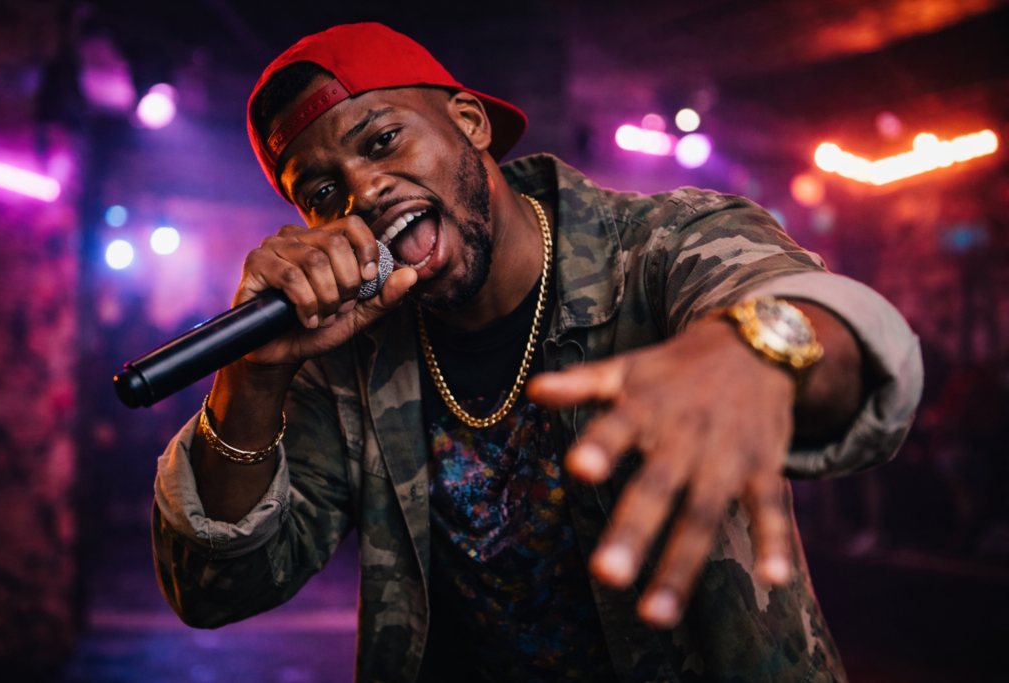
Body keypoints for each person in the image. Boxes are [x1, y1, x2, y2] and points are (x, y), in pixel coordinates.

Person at [152, 23, 922, 683]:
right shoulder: (346, 353)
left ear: (469, 123)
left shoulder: (661, 246)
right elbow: (219, 587)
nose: (364, 191)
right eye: (322, 193)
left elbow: (829, 326)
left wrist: (760, 346)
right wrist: (253, 373)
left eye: (383, 141)